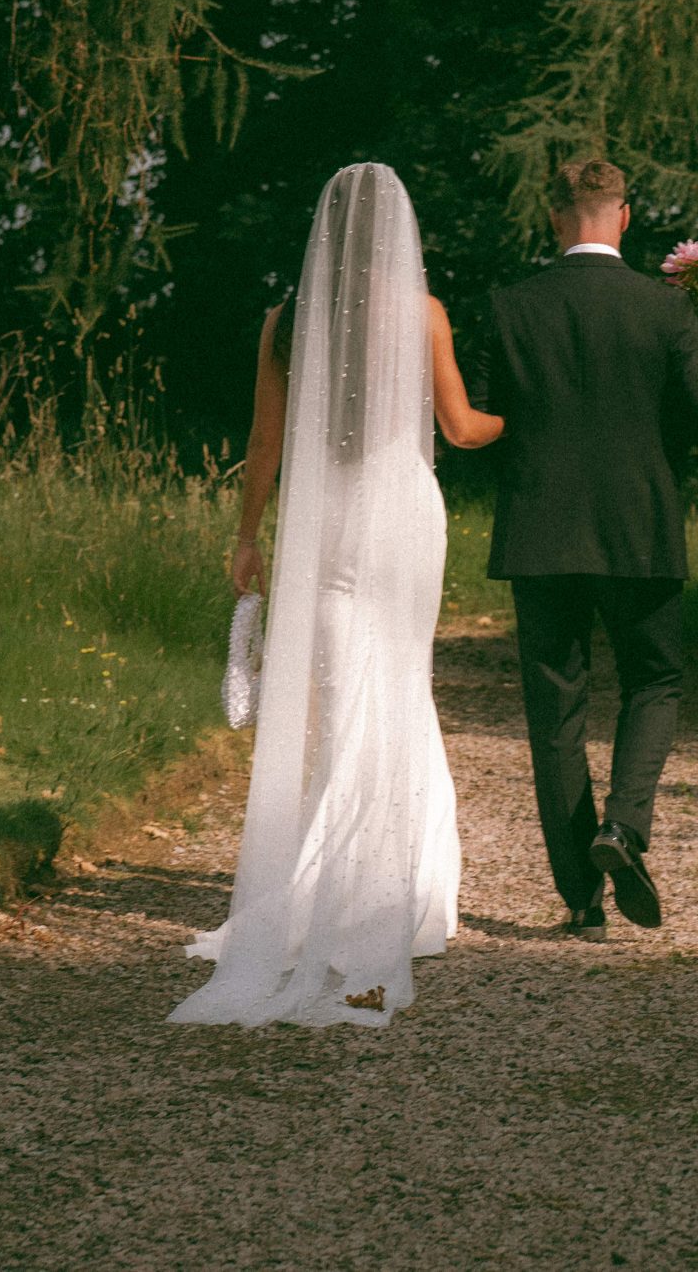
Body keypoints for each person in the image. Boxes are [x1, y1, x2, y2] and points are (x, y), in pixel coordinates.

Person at [170, 162, 501, 1027]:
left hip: (325, 520)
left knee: (339, 695)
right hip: (401, 514)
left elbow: (265, 440)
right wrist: (532, 413)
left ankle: (334, 884)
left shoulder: (286, 322)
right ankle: (404, 889)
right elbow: (462, 429)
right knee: (400, 685)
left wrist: (247, 535)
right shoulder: (422, 313)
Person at [467, 157, 698, 939]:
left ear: (555, 217)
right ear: (623, 217)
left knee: (555, 711)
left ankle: (582, 901)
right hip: (639, 529)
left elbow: (478, 422)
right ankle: (623, 826)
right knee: (654, 679)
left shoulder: (509, 306)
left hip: (540, 532)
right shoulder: (664, 308)